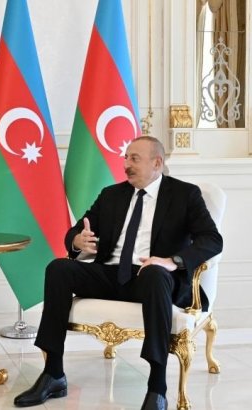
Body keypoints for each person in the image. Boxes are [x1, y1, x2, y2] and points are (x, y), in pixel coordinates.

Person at [13, 136, 223, 410]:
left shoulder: (185, 195)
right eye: (125, 157)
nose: (126, 164)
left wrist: (172, 261)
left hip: (153, 279)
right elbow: (77, 230)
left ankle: (157, 387)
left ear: (157, 163)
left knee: (154, 274)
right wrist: (77, 241)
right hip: (110, 274)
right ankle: (53, 374)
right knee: (59, 269)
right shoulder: (111, 195)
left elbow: (212, 239)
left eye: (134, 158)